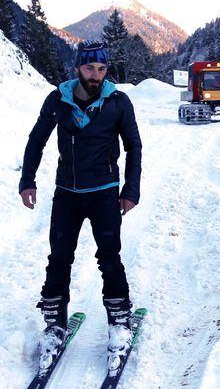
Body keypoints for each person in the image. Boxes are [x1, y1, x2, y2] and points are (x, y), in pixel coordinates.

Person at [18, 40, 142, 370]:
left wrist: (131, 189)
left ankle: (119, 322)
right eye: (90, 68)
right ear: (78, 68)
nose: (96, 75)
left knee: (109, 257)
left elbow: (134, 146)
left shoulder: (118, 102)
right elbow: (36, 139)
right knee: (59, 258)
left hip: (105, 192)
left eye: (101, 69)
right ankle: (54, 325)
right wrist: (27, 179)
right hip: (67, 193)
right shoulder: (58, 100)